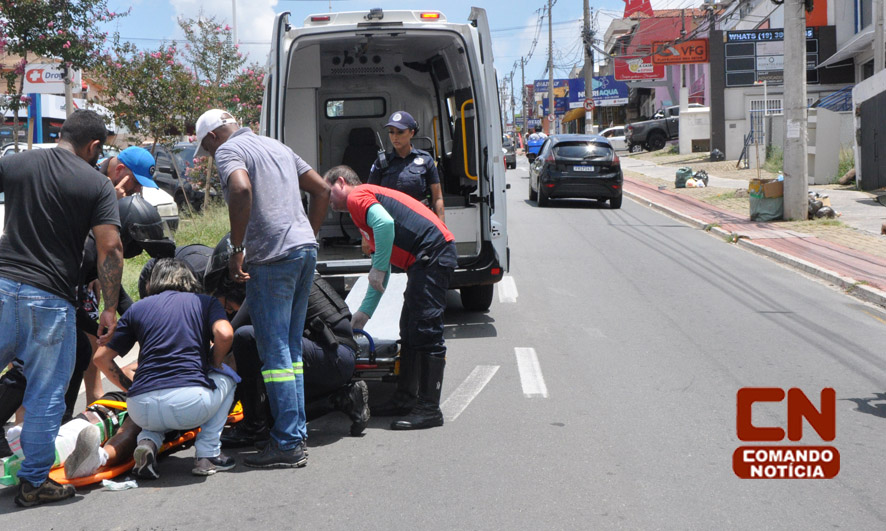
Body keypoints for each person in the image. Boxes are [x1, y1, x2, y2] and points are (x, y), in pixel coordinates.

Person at [0, 109, 123, 507]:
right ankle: (34, 483)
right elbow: (111, 248)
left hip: (2, 288)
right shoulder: (97, 184)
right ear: (94, 146)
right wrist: (109, 306)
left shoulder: (15, 163)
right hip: (49, 300)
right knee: (46, 393)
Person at [195, 108, 331, 468]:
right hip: (304, 254)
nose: (211, 157)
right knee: (290, 350)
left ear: (211, 137)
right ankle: (295, 434)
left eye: (206, 151)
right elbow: (322, 190)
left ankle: (287, 443)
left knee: (275, 356)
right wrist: (307, 236)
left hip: (271, 259)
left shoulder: (228, 151)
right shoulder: (276, 146)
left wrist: (238, 249)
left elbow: (240, 189)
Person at [325, 165, 457, 430]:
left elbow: (385, 227)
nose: (327, 201)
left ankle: (429, 409)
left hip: (432, 254)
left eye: (328, 193)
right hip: (425, 259)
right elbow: (380, 269)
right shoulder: (361, 207)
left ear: (341, 182)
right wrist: (362, 316)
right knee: (409, 330)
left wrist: (378, 267)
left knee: (426, 331)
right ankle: (405, 399)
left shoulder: (357, 196)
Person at [92, 258, 237, 479]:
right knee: (228, 378)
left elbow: (101, 358)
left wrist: (131, 389)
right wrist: (214, 364)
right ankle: (208, 453)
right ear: (189, 278)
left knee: (155, 408)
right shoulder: (204, 302)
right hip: (190, 403)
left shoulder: (136, 309)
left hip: (141, 408)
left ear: (152, 283)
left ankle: (147, 444)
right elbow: (225, 334)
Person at [221, 272, 371, 447]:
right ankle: (344, 398)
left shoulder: (267, 278)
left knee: (245, 337)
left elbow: (229, 337)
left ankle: (252, 428)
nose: (228, 312)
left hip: (331, 356)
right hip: (335, 357)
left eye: (228, 307)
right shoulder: (296, 268)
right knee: (269, 414)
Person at [368, 111, 444, 222]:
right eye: (391, 132)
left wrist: (442, 227)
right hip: (391, 222)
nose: (395, 137)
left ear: (411, 133)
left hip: (420, 220)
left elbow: (437, 197)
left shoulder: (425, 160)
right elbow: (369, 196)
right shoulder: (381, 162)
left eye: (400, 132)